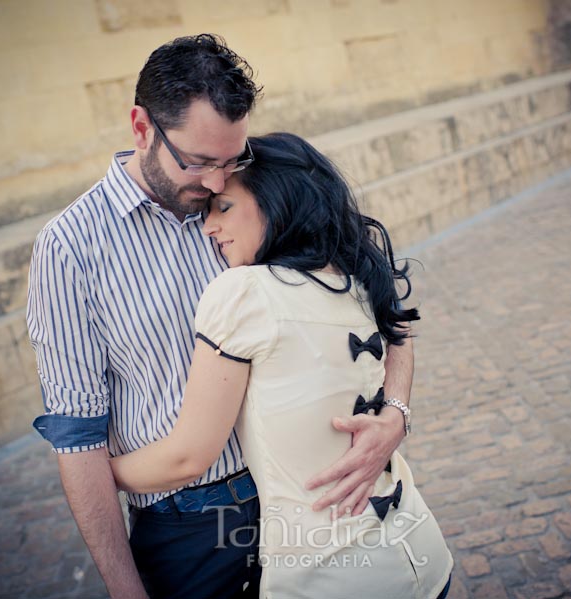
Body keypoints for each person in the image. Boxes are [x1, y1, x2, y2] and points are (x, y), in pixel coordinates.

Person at [27, 34, 414, 599]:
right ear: (141, 128)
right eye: (199, 162)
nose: (214, 183)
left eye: (231, 160)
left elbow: (380, 301)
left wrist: (397, 414)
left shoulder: (255, 196)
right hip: (191, 530)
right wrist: (125, 590)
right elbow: (77, 434)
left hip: (305, 508)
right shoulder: (70, 247)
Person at [110, 132, 453, 599]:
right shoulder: (355, 273)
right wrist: (396, 413)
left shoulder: (243, 292)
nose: (210, 227)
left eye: (224, 207)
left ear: (276, 203)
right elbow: (402, 333)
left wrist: (100, 472)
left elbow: (188, 456)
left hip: (331, 578)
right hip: (423, 556)